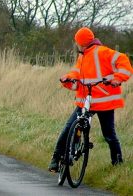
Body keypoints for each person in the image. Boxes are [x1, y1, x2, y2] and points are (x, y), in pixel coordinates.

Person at [48, 27, 133, 172]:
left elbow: (124, 63)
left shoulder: (103, 52)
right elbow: (76, 72)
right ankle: (58, 158)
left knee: (107, 134)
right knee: (74, 128)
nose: (76, 44)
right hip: (86, 100)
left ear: (81, 42)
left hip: (104, 101)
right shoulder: (83, 55)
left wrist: (116, 78)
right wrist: (68, 78)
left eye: (77, 42)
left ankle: (118, 163)